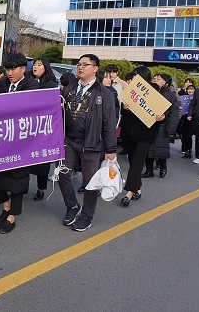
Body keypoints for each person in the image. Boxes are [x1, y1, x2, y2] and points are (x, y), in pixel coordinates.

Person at [59, 55, 117, 231]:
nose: (81, 67)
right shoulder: (69, 88)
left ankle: (86, 216)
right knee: (62, 174)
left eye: (85, 65)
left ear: (96, 68)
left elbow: (109, 122)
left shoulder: (104, 93)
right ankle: (72, 206)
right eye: (79, 64)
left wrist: (110, 148)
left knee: (90, 182)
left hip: (91, 143)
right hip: (68, 139)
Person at [0, 53, 38, 234]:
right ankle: (6, 206)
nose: (9, 73)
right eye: (8, 69)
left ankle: (12, 217)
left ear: (22, 69)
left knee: (17, 179)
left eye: (13, 69)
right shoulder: (2, 84)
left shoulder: (32, 87)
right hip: (0, 138)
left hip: (22, 141)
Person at [119, 66, 165, 206]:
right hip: (129, 133)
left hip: (146, 134)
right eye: (133, 76)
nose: (133, 78)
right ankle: (138, 188)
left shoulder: (154, 90)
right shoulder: (130, 90)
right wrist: (125, 108)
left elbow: (161, 111)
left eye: (136, 76)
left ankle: (129, 192)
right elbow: (124, 112)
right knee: (134, 162)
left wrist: (161, 117)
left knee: (138, 162)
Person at [30, 57, 57, 201]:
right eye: (34, 64)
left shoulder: (51, 84)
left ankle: (41, 189)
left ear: (45, 67)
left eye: (39, 65)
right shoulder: (28, 82)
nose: (35, 67)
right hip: (28, 126)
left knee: (41, 160)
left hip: (44, 127)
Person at [142, 73, 180, 179]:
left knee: (161, 148)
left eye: (159, 79)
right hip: (148, 124)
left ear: (166, 82)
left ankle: (163, 166)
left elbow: (174, 113)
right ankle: (149, 171)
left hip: (163, 126)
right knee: (147, 149)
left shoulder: (170, 95)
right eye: (154, 78)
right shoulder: (147, 92)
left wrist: (170, 128)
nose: (155, 80)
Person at [179, 84, 196, 159]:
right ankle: (184, 149)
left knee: (189, 135)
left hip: (192, 119)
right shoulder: (184, 98)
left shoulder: (196, 98)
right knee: (184, 134)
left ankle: (189, 150)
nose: (190, 90)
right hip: (184, 118)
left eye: (192, 89)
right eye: (189, 89)